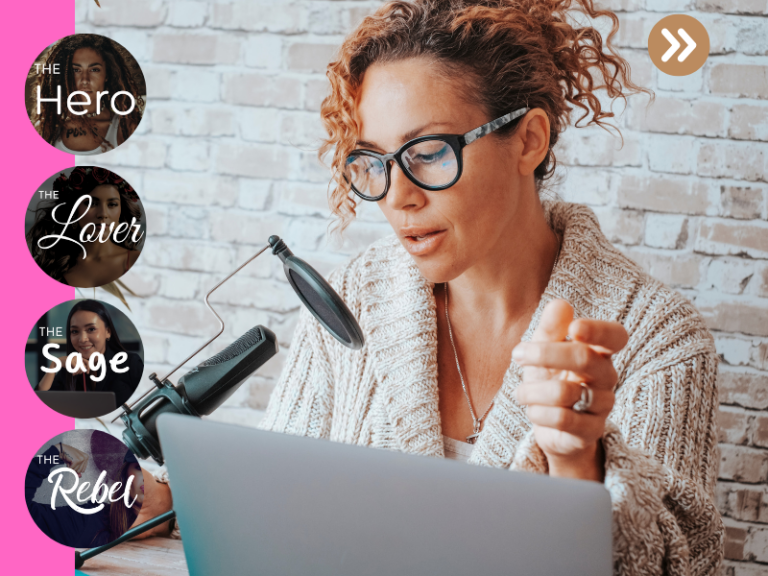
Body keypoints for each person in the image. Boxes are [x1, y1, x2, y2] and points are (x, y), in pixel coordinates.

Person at [149, 1, 724, 574]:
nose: (398, 196)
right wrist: (166, 502)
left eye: (426, 154)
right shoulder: (355, 298)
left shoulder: (659, 340)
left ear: (529, 141)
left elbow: (679, 563)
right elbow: (271, 496)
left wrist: (579, 461)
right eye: (374, 162)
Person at [26, 166, 143, 288]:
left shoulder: (139, 262)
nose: (103, 213)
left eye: (112, 204)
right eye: (91, 203)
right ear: (74, 209)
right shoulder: (50, 265)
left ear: (121, 211)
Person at [27, 34, 144, 154]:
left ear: (107, 75)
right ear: (64, 76)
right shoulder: (45, 128)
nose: (85, 80)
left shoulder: (125, 127)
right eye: (76, 70)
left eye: (94, 69)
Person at [25, 442, 143, 548]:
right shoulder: (92, 520)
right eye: (138, 468)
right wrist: (54, 454)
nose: (145, 479)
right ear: (125, 476)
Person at [36, 299, 143, 409]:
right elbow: (39, 405)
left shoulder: (130, 363)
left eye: (91, 329)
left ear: (108, 332)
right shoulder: (68, 370)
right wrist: (54, 365)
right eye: (75, 331)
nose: (82, 339)